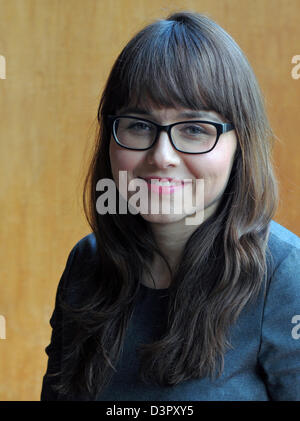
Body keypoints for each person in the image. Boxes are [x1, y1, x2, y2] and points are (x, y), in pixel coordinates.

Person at [41, 11, 300, 401]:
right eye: (139, 125)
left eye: (195, 129)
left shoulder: (284, 277)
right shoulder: (88, 263)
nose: (162, 156)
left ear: (240, 144)